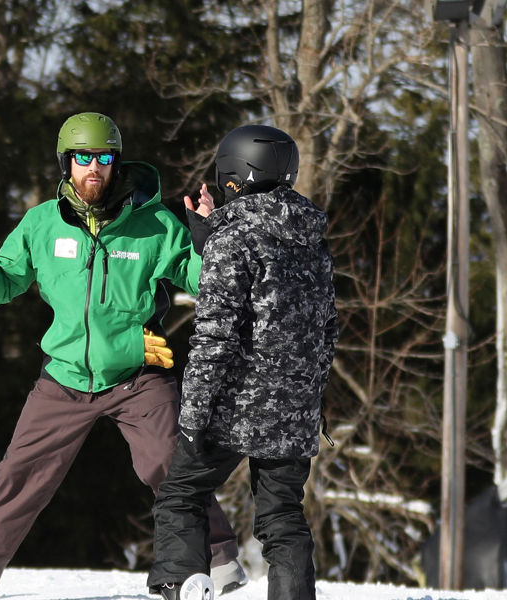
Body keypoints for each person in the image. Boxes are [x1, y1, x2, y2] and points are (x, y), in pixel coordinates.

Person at [0, 112, 242, 600]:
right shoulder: (41, 223)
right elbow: (3, 284)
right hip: (65, 376)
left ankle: (219, 557)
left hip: (138, 373)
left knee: (167, 462)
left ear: (117, 163)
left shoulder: (155, 224)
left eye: (104, 158)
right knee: (16, 476)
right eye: (83, 157)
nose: (93, 167)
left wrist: (205, 240)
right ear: (66, 162)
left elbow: (205, 283)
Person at [146, 125, 334, 600]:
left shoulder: (234, 240)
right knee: (283, 518)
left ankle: (182, 586)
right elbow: (326, 328)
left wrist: (193, 415)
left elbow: (215, 336)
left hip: (235, 406)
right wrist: (311, 398)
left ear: (233, 174)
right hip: (294, 409)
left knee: (180, 496)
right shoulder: (311, 238)